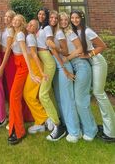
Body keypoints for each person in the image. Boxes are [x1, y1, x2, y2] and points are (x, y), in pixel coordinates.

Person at [70, 10, 115, 143]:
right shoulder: (74, 32)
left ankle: (111, 131)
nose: (74, 20)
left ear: (82, 18)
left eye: (77, 18)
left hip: (97, 63)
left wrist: (88, 55)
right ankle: (108, 127)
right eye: (72, 18)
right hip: (89, 64)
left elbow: (102, 46)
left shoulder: (87, 31)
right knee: (97, 93)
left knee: (99, 93)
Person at [62, 11, 98, 141]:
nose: (65, 22)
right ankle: (87, 127)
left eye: (67, 19)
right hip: (76, 68)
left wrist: (67, 59)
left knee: (81, 100)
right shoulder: (66, 33)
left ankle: (91, 130)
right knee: (79, 100)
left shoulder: (70, 33)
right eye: (64, 19)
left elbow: (81, 50)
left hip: (82, 66)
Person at [49, 11, 81, 143]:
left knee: (68, 100)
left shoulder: (63, 33)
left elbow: (68, 51)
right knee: (60, 99)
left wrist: (65, 57)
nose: (62, 21)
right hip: (58, 67)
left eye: (64, 19)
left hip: (64, 67)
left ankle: (75, 132)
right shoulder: (55, 31)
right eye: (60, 19)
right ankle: (67, 126)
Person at [8, 14, 39, 145]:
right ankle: (15, 125)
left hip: (23, 66)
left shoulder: (20, 34)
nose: (15, 21)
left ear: (22, 23)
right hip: (18, 65)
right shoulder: (14, 33)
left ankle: (19, 131)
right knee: (15, 97)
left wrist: (31, 72)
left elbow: (25, 53)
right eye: (14, 19)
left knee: (14, 97)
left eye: (18, 20)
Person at [36, 7, 66, 141]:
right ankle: (58, 118)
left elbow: (49, 42)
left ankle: (58, 125)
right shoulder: (41, 28)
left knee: (43, 94)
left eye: (44, 14)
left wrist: (58, 48)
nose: (42, 16)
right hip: (43, 59)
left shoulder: (47, 28)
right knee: (49, 93)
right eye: (40, 14)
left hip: (47, 60)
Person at [23, 19, 48, 134]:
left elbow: (34, 54)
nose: (29, 25)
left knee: (28, 95)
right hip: (34, 68)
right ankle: (41, 122)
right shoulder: (29, 36)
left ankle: (44, 119)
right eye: (29, 23)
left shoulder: (30, 37)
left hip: (36, 68)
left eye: (33, 25)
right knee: (32, 95)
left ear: (36, 29)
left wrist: (40, 71)